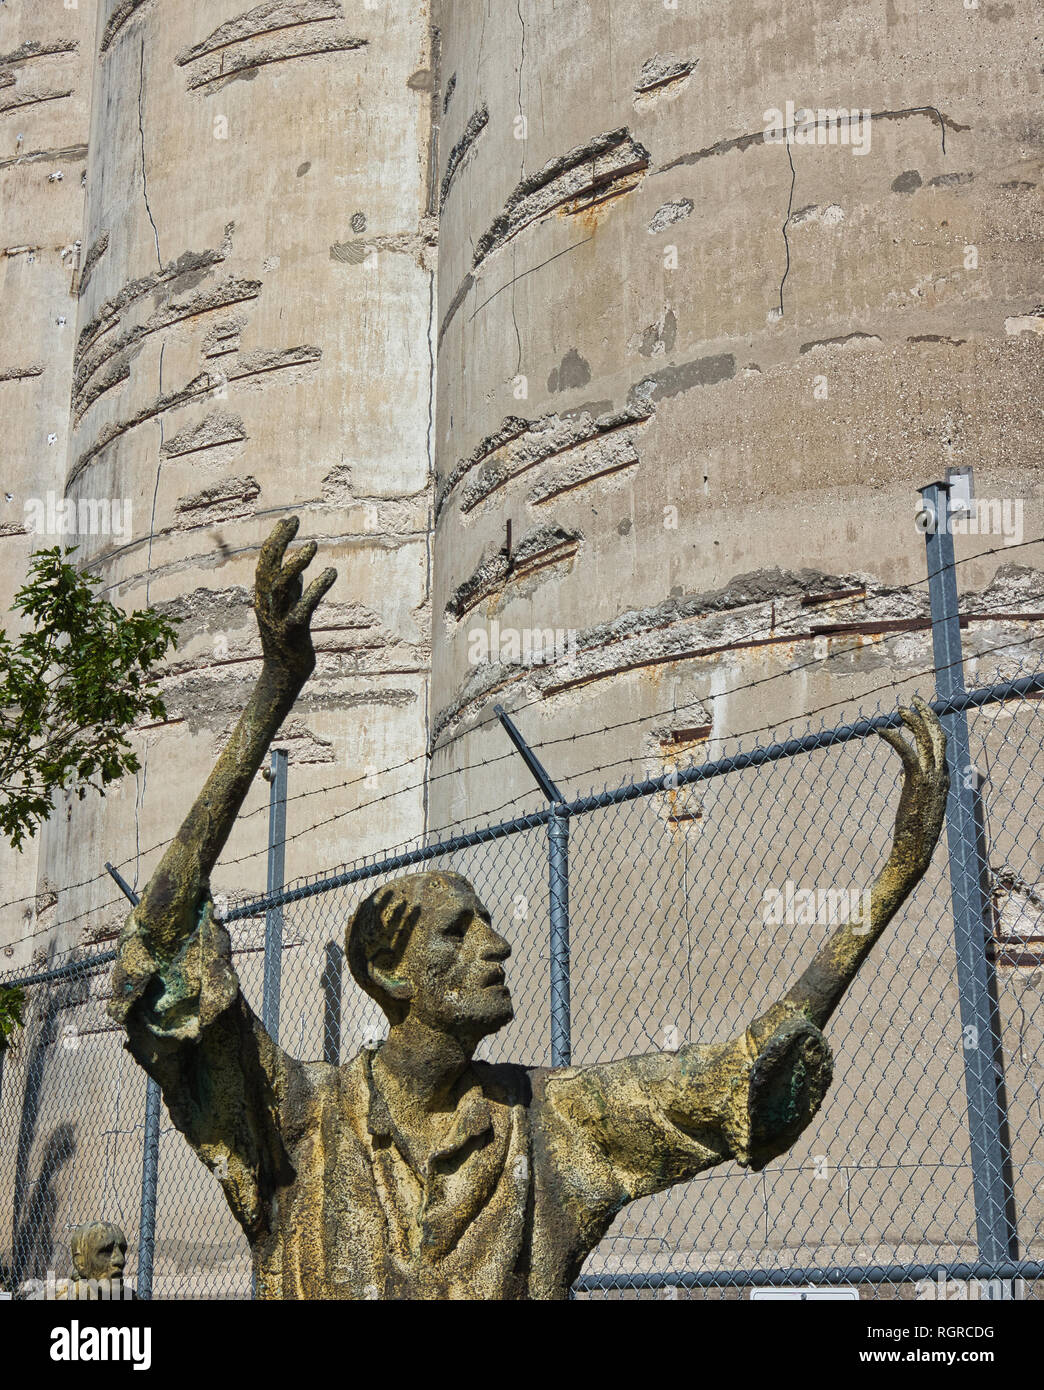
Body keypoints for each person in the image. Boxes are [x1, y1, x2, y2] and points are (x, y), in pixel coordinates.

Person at [109, 518, 949, 1298]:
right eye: (457, 930)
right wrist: (276, 690)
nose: (498, 944)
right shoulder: (297, 1124)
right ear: (387, 972)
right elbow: (165, 943)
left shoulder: (551, 1127)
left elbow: (742, 1073)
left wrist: (886, 889)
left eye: (485, 922)